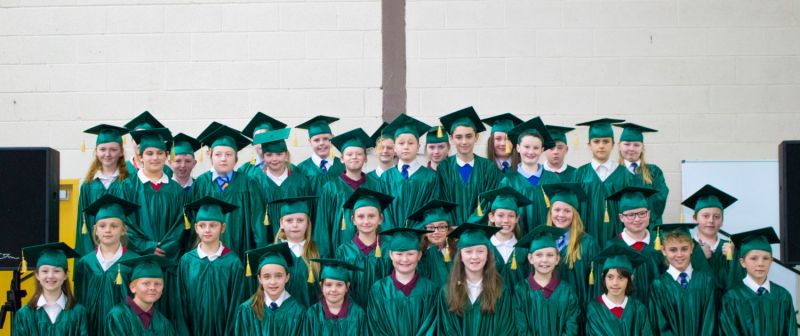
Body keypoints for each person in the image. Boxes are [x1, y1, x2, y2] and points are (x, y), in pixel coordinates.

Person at [123, 127, 186, 326]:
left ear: (167, 156)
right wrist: (147, 246)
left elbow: (180, 224)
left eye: (160, 153)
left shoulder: (175, 189)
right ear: (140, 157)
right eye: (149, 153)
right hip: (139, 260)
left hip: (167, 261)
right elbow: (125, 223)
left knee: (167, 310)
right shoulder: (128, 186)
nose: (155, 158)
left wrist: (166, 247)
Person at [190, 123, 266, 264]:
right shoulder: (201, 184)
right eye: (218, 154)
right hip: (207, 254)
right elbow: (192, 221)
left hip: (241, 250)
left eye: (228, 154)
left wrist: (259, 252)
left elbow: (258, 222)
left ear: (236, 158)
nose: (223, 158)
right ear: (210, 156)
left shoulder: (248, 184)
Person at [427, 223, 516, 335]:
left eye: (480, 251)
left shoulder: (501, 291)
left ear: (487, 255)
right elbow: (446, 331)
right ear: (461, 256)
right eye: (468, 251)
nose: (474, 256)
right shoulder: (447, 292)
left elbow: (506, 330)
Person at [176, 196, 246, 335]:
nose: (207, 230)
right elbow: (180, 304)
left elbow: (236, 304)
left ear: (223, 227)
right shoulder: (187, 261)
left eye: (213, 225)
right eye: (202, 225)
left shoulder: (233, 263)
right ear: (196, 228)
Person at [74, 195, 140, 336]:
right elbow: (79, 300)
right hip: (90, 328)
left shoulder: (134, 261)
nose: (108, 230)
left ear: (123, 229)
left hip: (123, 329)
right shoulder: (85, 263)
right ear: (95, 229)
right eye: (102, 226)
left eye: (114, 226)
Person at [315, 128, 379, 257]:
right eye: (349, 154)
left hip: (371, 251)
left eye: (359, 154)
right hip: (338, 247)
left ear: (366, 158)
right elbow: (323, 224)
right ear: (342, 159)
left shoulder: (375, 185)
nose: (354, 157)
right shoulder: (331, 188)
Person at [720, 227, 797, 336]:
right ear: (742, 262)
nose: (760, 263)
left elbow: (791, 332)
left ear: (771, 261)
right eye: (754, 258)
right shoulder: (732, 298)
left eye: (766, 258)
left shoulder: (783, 296)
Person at [437, 106, 503, 225]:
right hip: (451, 232)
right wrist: (453, 228)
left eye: (469, 136)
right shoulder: (444, 168)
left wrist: (470, 227)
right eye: (458, 137)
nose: (464, 142)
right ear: (451, 139)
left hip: (479, 233)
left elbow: (488, 203)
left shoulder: (488, 168)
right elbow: (442, 202)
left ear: (476, 137)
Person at [543, 183, 600, 320]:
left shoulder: (588, 243)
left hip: (579, 313)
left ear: (575, 214)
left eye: (567, 211)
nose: (561, 215)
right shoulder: (543, 241)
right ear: (551, 212)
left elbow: (595, 284)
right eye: (557, 210)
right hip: (548, 312)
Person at [648, 223, 717, 335]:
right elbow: (659, 325)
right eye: (673, 250)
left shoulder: (706, 281)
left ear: (692, 248)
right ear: (663, 250)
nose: (679, 255)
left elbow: (710, 320)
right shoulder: (658, 286)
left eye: (684, 249)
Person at [367, 228, 438, 336]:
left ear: (419, 255)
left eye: (410, 254)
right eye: (399, 254)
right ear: (391, 254)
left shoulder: (431, 290)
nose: (404, 259)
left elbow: (432, 326)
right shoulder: (379, 290)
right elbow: (376, 328)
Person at [572, 118, 633, 243]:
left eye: (606, 141)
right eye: (596, 141)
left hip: (618, 234)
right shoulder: (580, 173)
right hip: (586, 234)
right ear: (589, 145)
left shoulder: (625, 174)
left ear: (613, 144)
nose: (601, 145)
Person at [498, 116, 561, 235]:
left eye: (536, 148)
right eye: (526, 147)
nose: (531, 152)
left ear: (542, 150)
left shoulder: (553, 179)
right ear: (518, 148)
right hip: (517, 241)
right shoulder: (508, 181)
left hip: (547, 242)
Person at [513, 225, 580, 336]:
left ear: (557, 259)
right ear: (530, 258)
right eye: (539, 255)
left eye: (550, 255)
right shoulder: (521, 290)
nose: (544, 260)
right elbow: (521, 328)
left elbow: (571, 327)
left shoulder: (567, 291)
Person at [75, 124, 131, 256]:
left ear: (121, 152)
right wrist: (91, 256)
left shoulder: (129, 183)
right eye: (102, 149)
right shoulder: (88, 186)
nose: (107, 154)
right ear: (96, 151)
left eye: (113, 149)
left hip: (124, 253)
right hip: (96, 253)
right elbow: (84, 225)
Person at [335, 187, 395, 308]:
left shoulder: (389, 249)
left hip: (383, 310)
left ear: (380, 219)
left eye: (371, 216)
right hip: (352, 314)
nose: (366, 221)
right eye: (361, 216)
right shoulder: (343, 252)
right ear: (353, 220)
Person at [379, 114, 440, 229]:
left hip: (420, 238)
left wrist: (417, 233)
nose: (406, 147)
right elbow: (383, 211)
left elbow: (431, 210)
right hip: (392, 238)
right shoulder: (386, 177)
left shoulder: (430, 177)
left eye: (411, 143)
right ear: (395, 148)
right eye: (401, 143)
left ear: (418, 147)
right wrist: (394, 234)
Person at [231, 243, 306, 336]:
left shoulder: (298, 312)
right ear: (259, 278)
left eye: (278, 276)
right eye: (267, 277)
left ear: (287, 277)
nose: (273, 282)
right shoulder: (247, 310)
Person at [606, 186, 663, 305]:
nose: (637, 219)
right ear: (621, 217)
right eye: (630, 215)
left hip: (659, 310)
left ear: (649, 214)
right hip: (628, 314)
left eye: (642, 213)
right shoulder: (613, 246)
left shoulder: (660, 243)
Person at [682, 184, 744, 295]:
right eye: (705, 216)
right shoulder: (684, 247)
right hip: (698, 307)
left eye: (717, 217)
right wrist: (698, 256)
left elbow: (740, 286)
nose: (711, 220)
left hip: (726, 308)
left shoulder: (732, 248)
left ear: (722, 220)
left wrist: (734, 258)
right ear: (695, 218)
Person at [14, 243, 87, 336]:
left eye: (57, 271)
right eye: (45, 271)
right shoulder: (24, 315)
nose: (50, 276)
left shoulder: (78, 313)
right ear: (37, 275)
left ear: (65, 275)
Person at [251, 128, 310, 242]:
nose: (274, 159)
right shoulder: (255, 183)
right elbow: (255, 219)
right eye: (269, 155)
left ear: (286, 155)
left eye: (279, 154)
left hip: (297, 240)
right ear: (263, 156)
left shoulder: (300, 182)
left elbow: (308, 215)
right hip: (265, 239)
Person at [586, 244, 652, 336]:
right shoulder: (594, 309)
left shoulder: (639, 309)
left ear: (630, 278)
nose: (615, 283)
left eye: (621, 278)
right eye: (610, 277)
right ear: (603, 277)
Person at [270, 196, 323, 307]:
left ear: (308, 223)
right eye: (289, 220)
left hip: (310, 317)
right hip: (282, 318)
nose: (295, 225)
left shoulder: (318, 252)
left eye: (300, 220)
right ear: (281, 223)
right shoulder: (273, 253)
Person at [104, 255, 177, 335]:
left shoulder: (164, 323)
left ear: (162, 289)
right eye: (146, 283)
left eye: (157, 284)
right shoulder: (118, 316)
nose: (152, 288)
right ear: (133, 287)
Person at [614, 123, 668, 226]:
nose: (631, 148)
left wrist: (640, 217)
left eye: (636, 145)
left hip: (649, 226)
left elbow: (660, 197)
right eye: (627, 144)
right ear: (619, 146)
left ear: (642, 147)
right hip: (621, 227)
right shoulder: (612, 172)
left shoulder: (654, 172)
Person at [481, 186, 533, 292]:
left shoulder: (524, 250)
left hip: (518, 305)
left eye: (511, 216)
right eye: (500, 215)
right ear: (491, 217)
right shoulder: (483, 248)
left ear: (517, 219)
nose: (506, 220)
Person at [301, 259, 368, 336]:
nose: (333, 289)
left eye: (339, 285)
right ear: (321, 286)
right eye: (328, 284)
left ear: (347, 287)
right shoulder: (312, 314)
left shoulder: (358, 314)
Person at [408, 200, 458, 287]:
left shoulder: (458, 252)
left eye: (442, 226)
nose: (436, 232)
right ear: (425, 231)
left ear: (448, 229)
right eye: (431, 227)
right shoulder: (420, 257)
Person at [294, 115, 345, 197]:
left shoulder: (343, 166)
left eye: (325, 138)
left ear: (333, 138)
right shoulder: (302, 169)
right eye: (316, 140)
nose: (321, 143)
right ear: (310, 142)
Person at [122, 111, 173, 178]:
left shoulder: (166, 170)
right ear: (131, 141)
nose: (140, 143)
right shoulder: (122, 169)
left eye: (145, 140)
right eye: (137, 138)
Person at [237, 112, 287, 177]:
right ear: (253, 144)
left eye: (265, 138)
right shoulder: (244, 171)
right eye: (258, 139)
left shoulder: (289, 169)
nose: (261, 143)